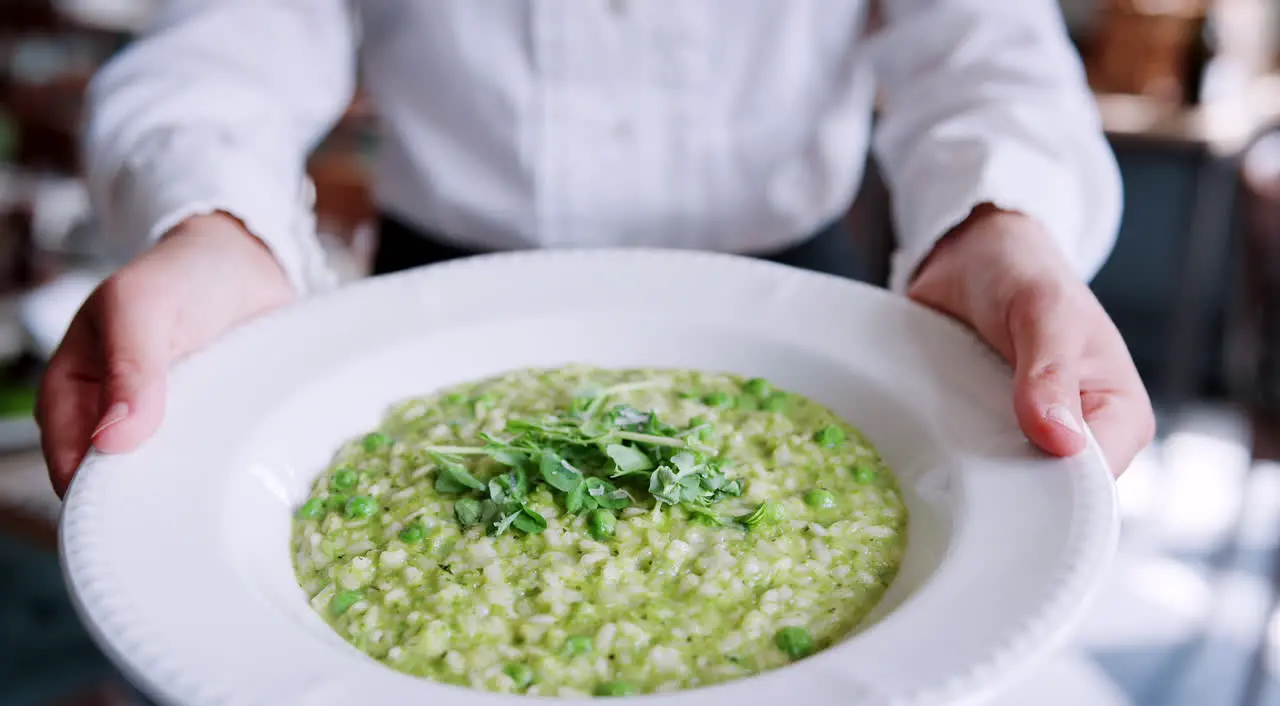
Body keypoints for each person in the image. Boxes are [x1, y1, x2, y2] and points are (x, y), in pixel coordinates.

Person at [38, 1, 1154, 494]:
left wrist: (1005, 228)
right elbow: (238, 31)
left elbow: (980, 45)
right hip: (425, 321)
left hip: (808, 317)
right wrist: (212, 224)